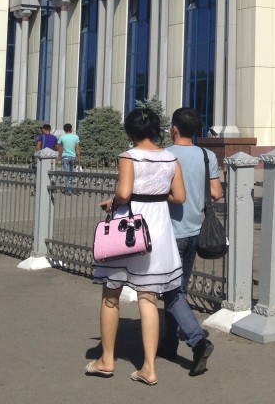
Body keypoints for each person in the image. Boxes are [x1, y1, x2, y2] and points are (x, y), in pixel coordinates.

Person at [86, 108, 187, 385]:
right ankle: (149, 368)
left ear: (130, 132)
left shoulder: (128, 156)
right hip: (158, 227)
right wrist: (155, 194)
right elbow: (179, 196)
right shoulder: (170, 157)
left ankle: (107, 359)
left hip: (130, 226)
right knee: (148, 297)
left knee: (111, 293)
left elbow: (125, 192)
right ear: (156, 130)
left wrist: (113, 202)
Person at [162, 107, 221, 365]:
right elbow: (216, 193)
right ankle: (168, 343)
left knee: (172, 292)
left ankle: (198, 342)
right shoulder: (207, 156)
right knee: (177, 289)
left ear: (174, 128)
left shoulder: (164, 155)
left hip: (170, 234)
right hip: (197, 232)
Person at [57, 123, 81, 195]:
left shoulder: (62, 137)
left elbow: (58, 147)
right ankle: (70, 189)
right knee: (71, 173)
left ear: (64, 130)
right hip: (72, 157)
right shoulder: (76, 137)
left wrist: (60, 153)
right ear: (71, 129)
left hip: (65, 156)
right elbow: (77, 148)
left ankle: (68, 189)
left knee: (66, 173)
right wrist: (79, 157)